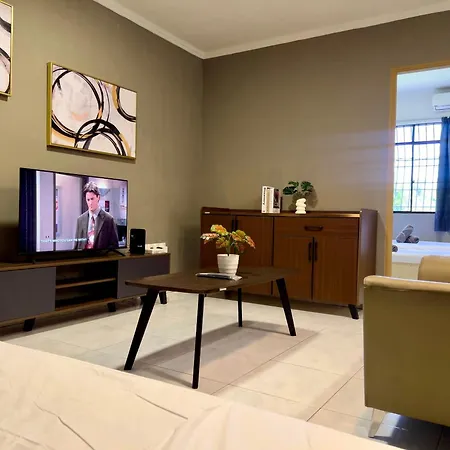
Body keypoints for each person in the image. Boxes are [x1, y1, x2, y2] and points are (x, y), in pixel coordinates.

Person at [74, 182, 119, 250]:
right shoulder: (80, 220)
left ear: (98, 197)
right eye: (88, 200)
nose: (90, 203)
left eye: (92, 199)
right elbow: (76, 245)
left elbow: (114, 246)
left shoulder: (108, 219)